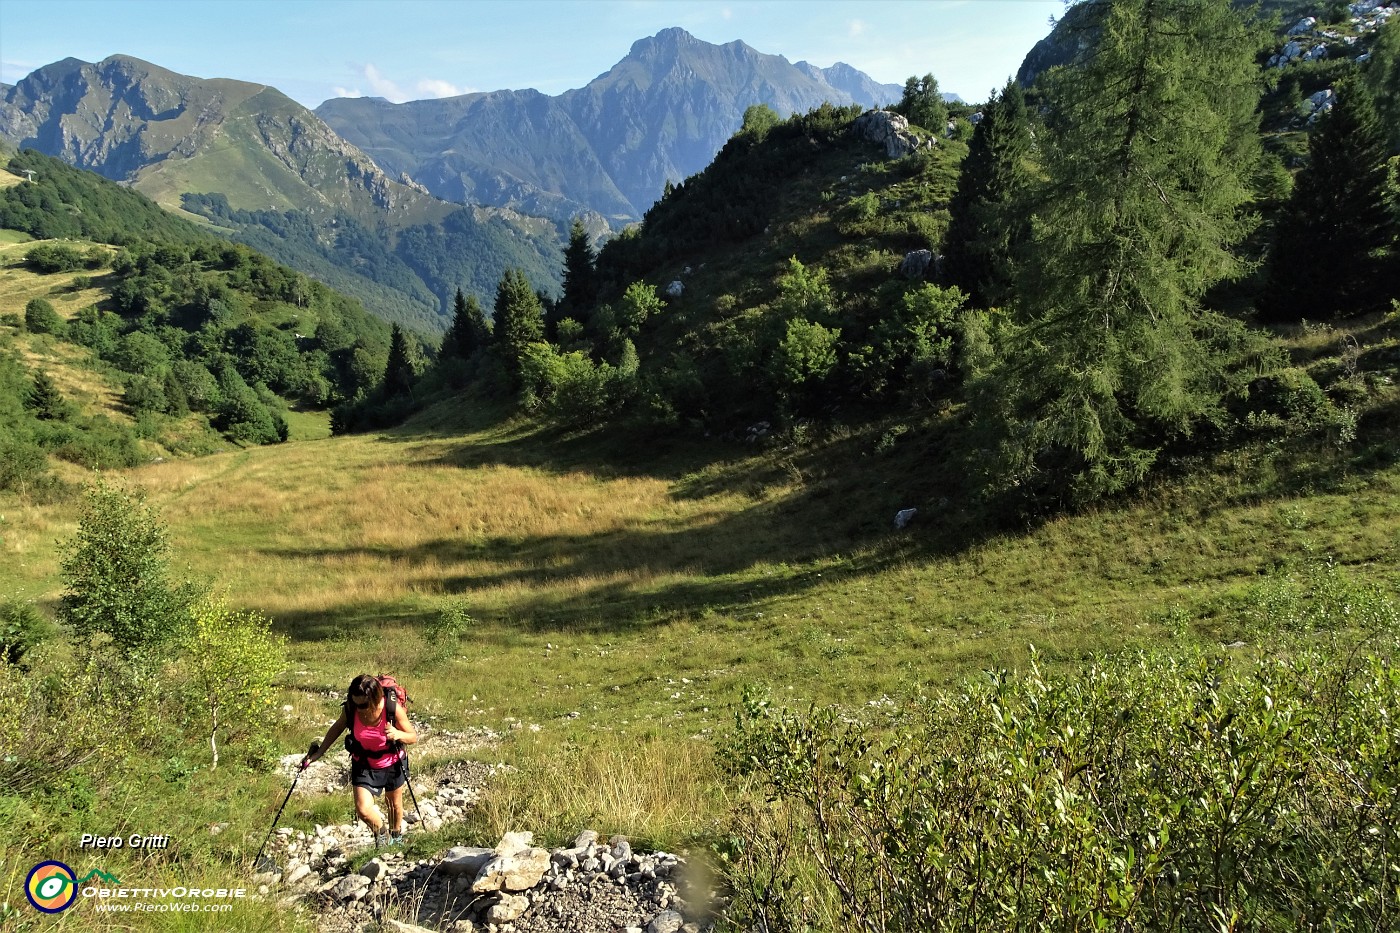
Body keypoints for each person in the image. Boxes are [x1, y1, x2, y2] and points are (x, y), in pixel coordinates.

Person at [303, 674, 418, 845]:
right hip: (363, 763)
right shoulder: (351, 708)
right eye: (356, 702)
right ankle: (382, 834)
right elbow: (337, 728)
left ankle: (396, 837)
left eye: (363, 704)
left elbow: (413, 737)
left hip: (392, 762)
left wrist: (398, 734)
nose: (360, 707)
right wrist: (319, 753)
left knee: (393, 805)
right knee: (363, 809)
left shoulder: (391, 708)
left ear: (375, 698)